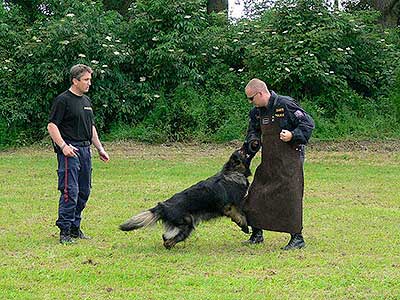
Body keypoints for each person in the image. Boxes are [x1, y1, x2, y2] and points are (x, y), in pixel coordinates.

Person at [241, 78, 314, 250]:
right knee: (256, 193)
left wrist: (292, 135)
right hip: (270, 158)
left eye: (251, 98)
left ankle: (297, 237)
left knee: (290, 195)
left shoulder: (285, 104)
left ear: (260, 93)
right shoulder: (257, 112)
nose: (250, 103)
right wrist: (252, 143)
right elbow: (253, 132)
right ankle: (257, 233)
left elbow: (307, 123)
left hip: (290, 159)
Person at [47, 64, 110, 244]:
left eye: (90, 80)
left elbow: (90, 128)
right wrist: (63, 146)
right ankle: (65, 231)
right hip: (70, 151)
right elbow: (52, 126)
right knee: (70, 191)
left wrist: (100, 148)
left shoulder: (86, 102)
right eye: (86, 80)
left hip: (85, 150)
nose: (89, 83)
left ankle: (75, 228)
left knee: (84, 191)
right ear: (75, 81)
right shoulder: (63, 100)